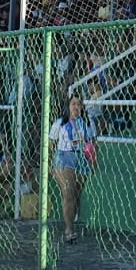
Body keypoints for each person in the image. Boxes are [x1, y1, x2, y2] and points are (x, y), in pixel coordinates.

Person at [49, 95, 97, 244]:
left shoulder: (87, 123)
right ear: (68, 106)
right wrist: (50, 164)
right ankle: (68, 230)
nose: (76, 107)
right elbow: (51, 144)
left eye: (79, 104)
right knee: (68, 193)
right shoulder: (60, 123)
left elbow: (93, 142)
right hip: (65, 156)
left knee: (76, 194)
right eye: (73, 104)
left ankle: (71, 221)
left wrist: (94, 161)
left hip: (82, 158)